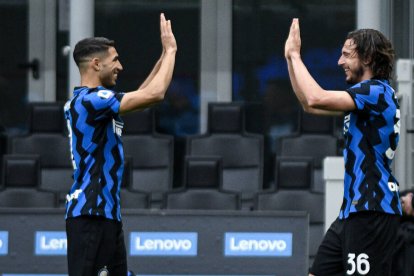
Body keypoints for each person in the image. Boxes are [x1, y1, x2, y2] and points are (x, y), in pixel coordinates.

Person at [284, 18, 401, 275]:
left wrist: (296, 56)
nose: (340, 62)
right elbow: (309, 105)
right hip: (351, 211)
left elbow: (316, 96)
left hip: (372, 211)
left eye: (347, 55)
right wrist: (290, 60)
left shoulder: (377, 91)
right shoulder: (366, 97)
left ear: (368, 58)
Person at [64, 13, 177, 275]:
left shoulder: (93, 102)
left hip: (106, 215)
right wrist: (171, 52)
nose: (120, 66)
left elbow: (142, 96)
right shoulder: (91, 101)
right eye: (114, 60)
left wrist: (162, 57)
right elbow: (155, 94)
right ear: (95, 64)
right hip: (91, 215)